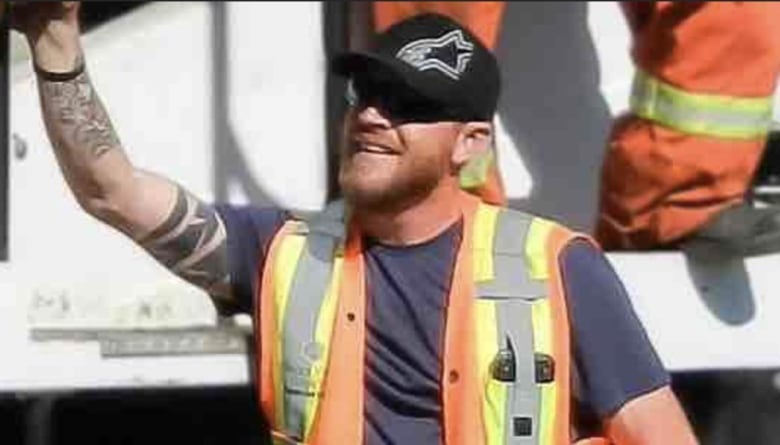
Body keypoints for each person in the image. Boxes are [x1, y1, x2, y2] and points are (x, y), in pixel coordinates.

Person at [11, 3, 698, 444]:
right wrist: (56, 40)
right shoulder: (284, 253)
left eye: (407, 103)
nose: (372, 115)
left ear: (470, 144)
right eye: (364, 92)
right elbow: (112, 191)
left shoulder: (559, 268)